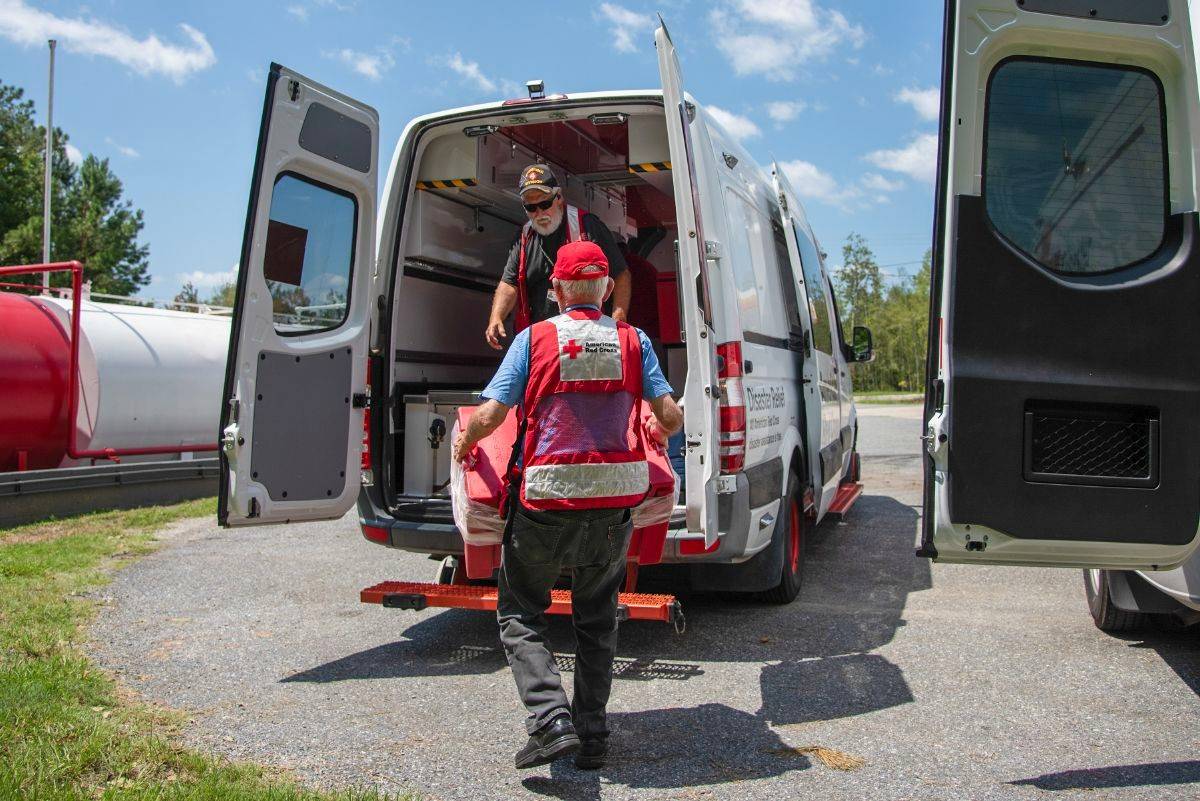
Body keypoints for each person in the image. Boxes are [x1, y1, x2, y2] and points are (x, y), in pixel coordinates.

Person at [454, 240, 682, 770]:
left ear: (555, 291)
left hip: (546, 501)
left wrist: (465, 447)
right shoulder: (633, 340)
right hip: (613, 506)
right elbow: (668, 415)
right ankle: (593, 735)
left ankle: (550, 719)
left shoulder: (535, 339)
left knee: (520, 611)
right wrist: (658, 425)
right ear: (605, 289)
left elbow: (490, 417)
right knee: (597, 618)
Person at [485, 164, 632, 350]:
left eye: (545, 204)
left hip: (586, 336)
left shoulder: (587, 226)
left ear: (559, 197)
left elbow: (621, 274)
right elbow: (509, 283)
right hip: (541, 340)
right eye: (531, 207)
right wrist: (496, 318)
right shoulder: (524, 237)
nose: (539, 213)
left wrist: (618, 319)